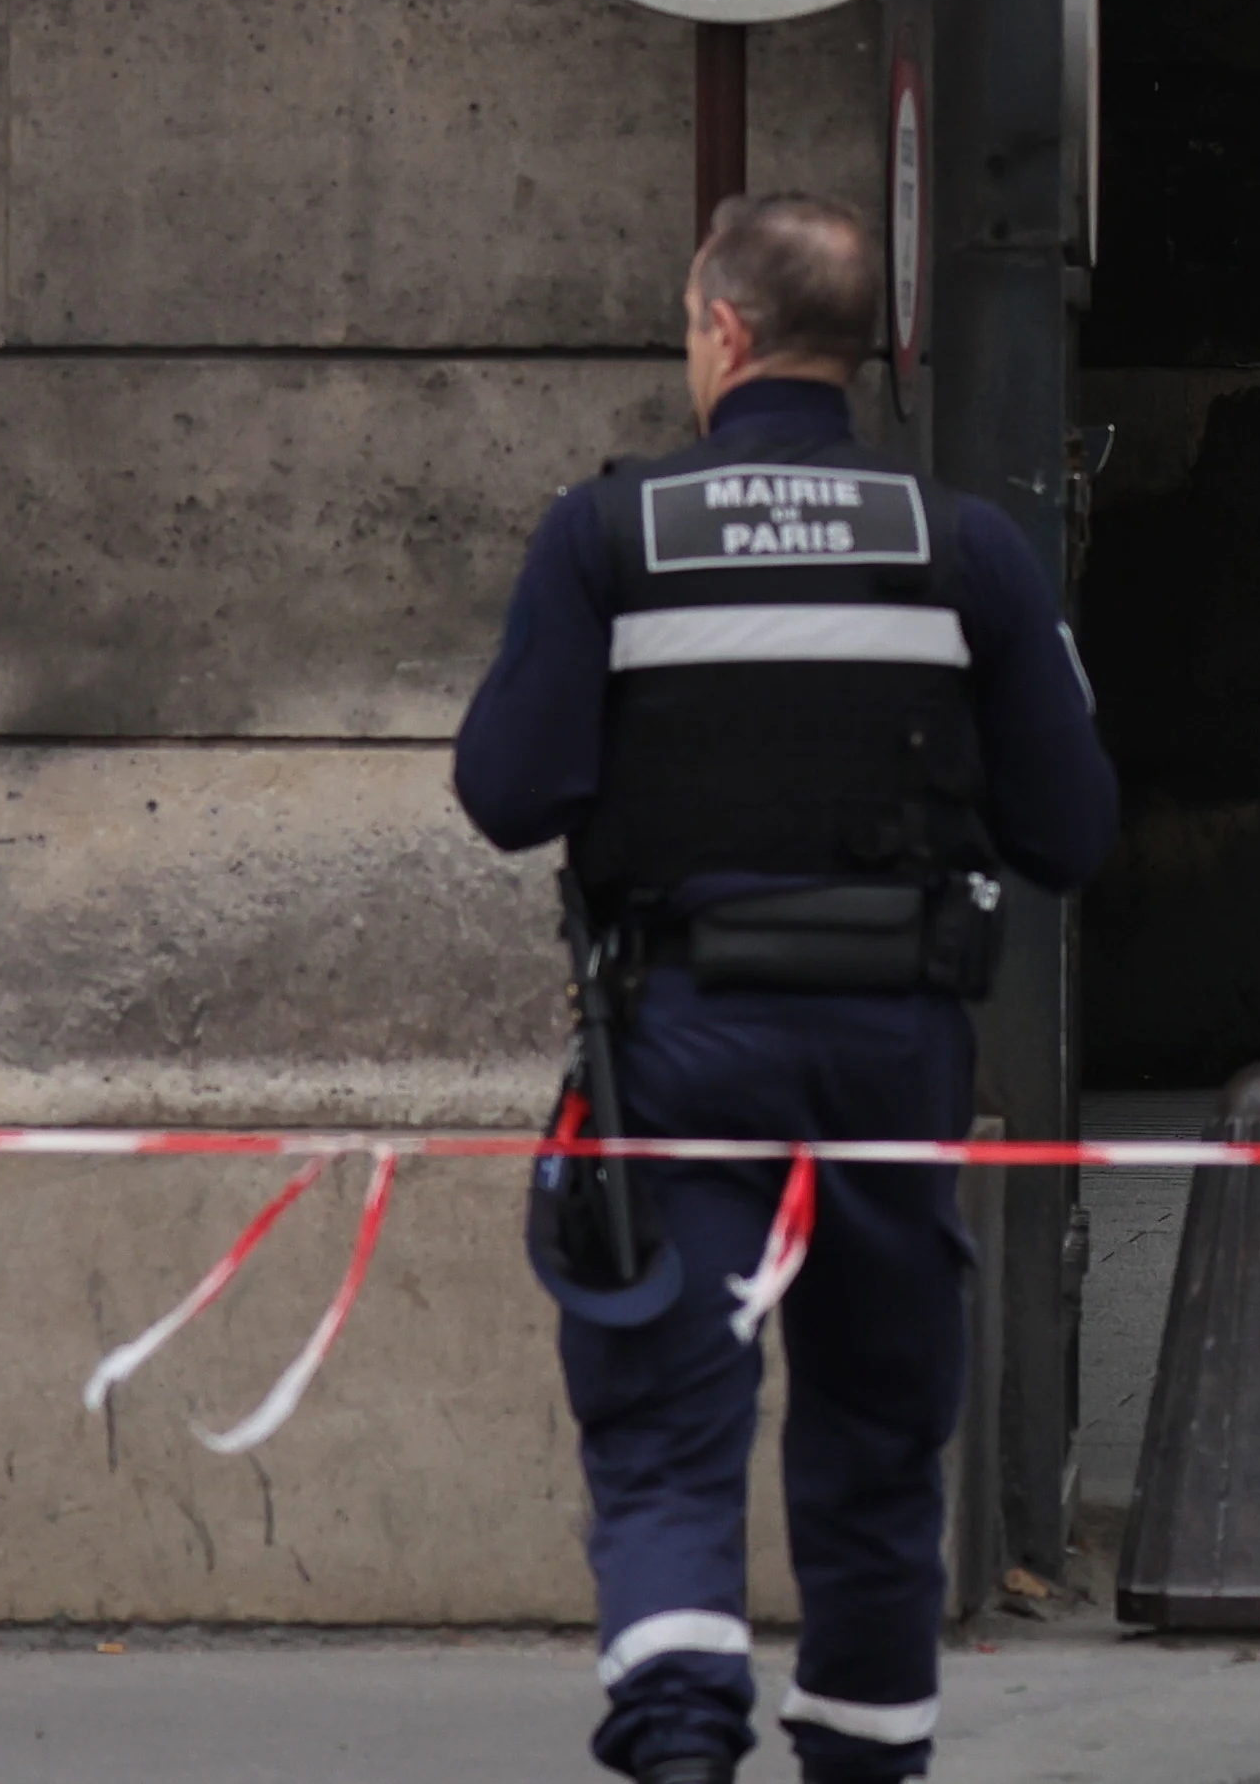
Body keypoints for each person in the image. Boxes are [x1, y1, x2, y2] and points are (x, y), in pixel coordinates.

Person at [454, 194, 1118, 1784]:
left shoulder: (608, 536)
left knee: (671, 1405)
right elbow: (1070, 827)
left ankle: (683, 1733)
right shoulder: (964, 549)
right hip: (897, 1048)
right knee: (882, 1423)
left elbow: (507, 787)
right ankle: (867, 1753)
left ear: (724, 330)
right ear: (868, 343)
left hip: (680, 1047)